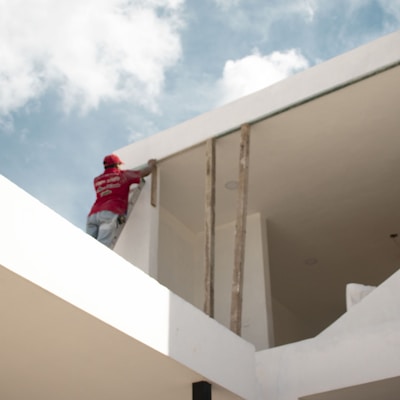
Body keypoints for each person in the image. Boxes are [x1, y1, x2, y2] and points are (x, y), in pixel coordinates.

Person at [86, 154, 157, 247]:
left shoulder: (97, 180)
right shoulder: (123, 175)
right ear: (117, 164)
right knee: (102, 246)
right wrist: (151, 165)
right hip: (109, 212)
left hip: (93, 215)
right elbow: (145, 172)